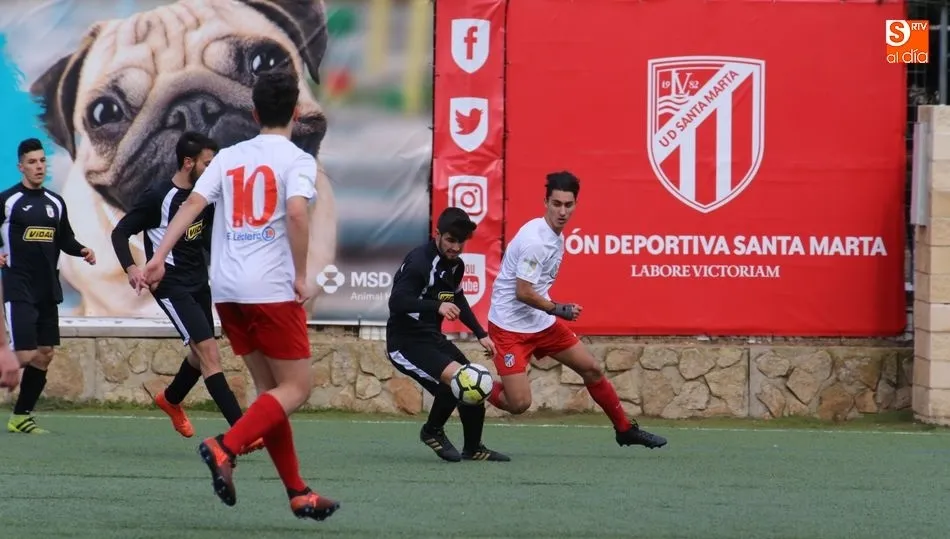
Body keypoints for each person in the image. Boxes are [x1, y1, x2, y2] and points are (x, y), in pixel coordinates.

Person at [141, 70, 339, 521]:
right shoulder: (298, 160)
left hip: (228, 291)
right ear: (295, 112)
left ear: (253, 113)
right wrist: (301, 275)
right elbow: (295, 213)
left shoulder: (229, 157)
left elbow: (191, 204)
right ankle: (223, 446)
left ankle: (298, 491)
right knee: (297, 387)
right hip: (269, 288)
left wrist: (157, 258)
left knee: (271, 392)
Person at [485, 171, 668, 450]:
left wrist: (551, 312)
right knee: (519, 404)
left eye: (568, 205)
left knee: (591, 369)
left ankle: (624, 430)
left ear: (575, 205)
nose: (562, 211)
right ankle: (471, 381)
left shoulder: (554, 236)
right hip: (509, 328)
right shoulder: (537, 241)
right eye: (556, 204)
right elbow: (522, 292)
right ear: (545, 202)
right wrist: (560, 309)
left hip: (540, 322)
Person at [110, 132, 262, 455]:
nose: (213, 168)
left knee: (199, 351)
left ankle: (172, 398)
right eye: (209, 163)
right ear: (188, 163)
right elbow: (120, 231)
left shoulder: (205, 196)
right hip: (170, 286)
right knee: (209, 353)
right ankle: (242, 430)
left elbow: (204, 239)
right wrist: (132, 268)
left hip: (198, 283)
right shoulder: (158, 197)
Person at [387, 207, 509, 463]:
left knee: (475, 381)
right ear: (437, 234)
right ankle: (431, 430)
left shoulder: (456, 265)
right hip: (406, 342)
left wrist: (480, 333)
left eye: (460, 242)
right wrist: (436, 306)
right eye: (450, 240)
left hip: (431, 338)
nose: (455, 247)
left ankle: (474, 448)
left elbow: (458, 297)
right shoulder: (420, 262)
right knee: (456, 383)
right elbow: (396, 302)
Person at [2, 138, 95, 434]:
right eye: (32, 162)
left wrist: (81, 250)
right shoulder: (8, 202)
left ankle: (20, 417)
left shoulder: (55, 202)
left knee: (44, 355)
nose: (39, 166)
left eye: (42, 160)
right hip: (18, 288)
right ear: (21, 167)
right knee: (24, 356)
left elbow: (65, 239)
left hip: (47, 290)